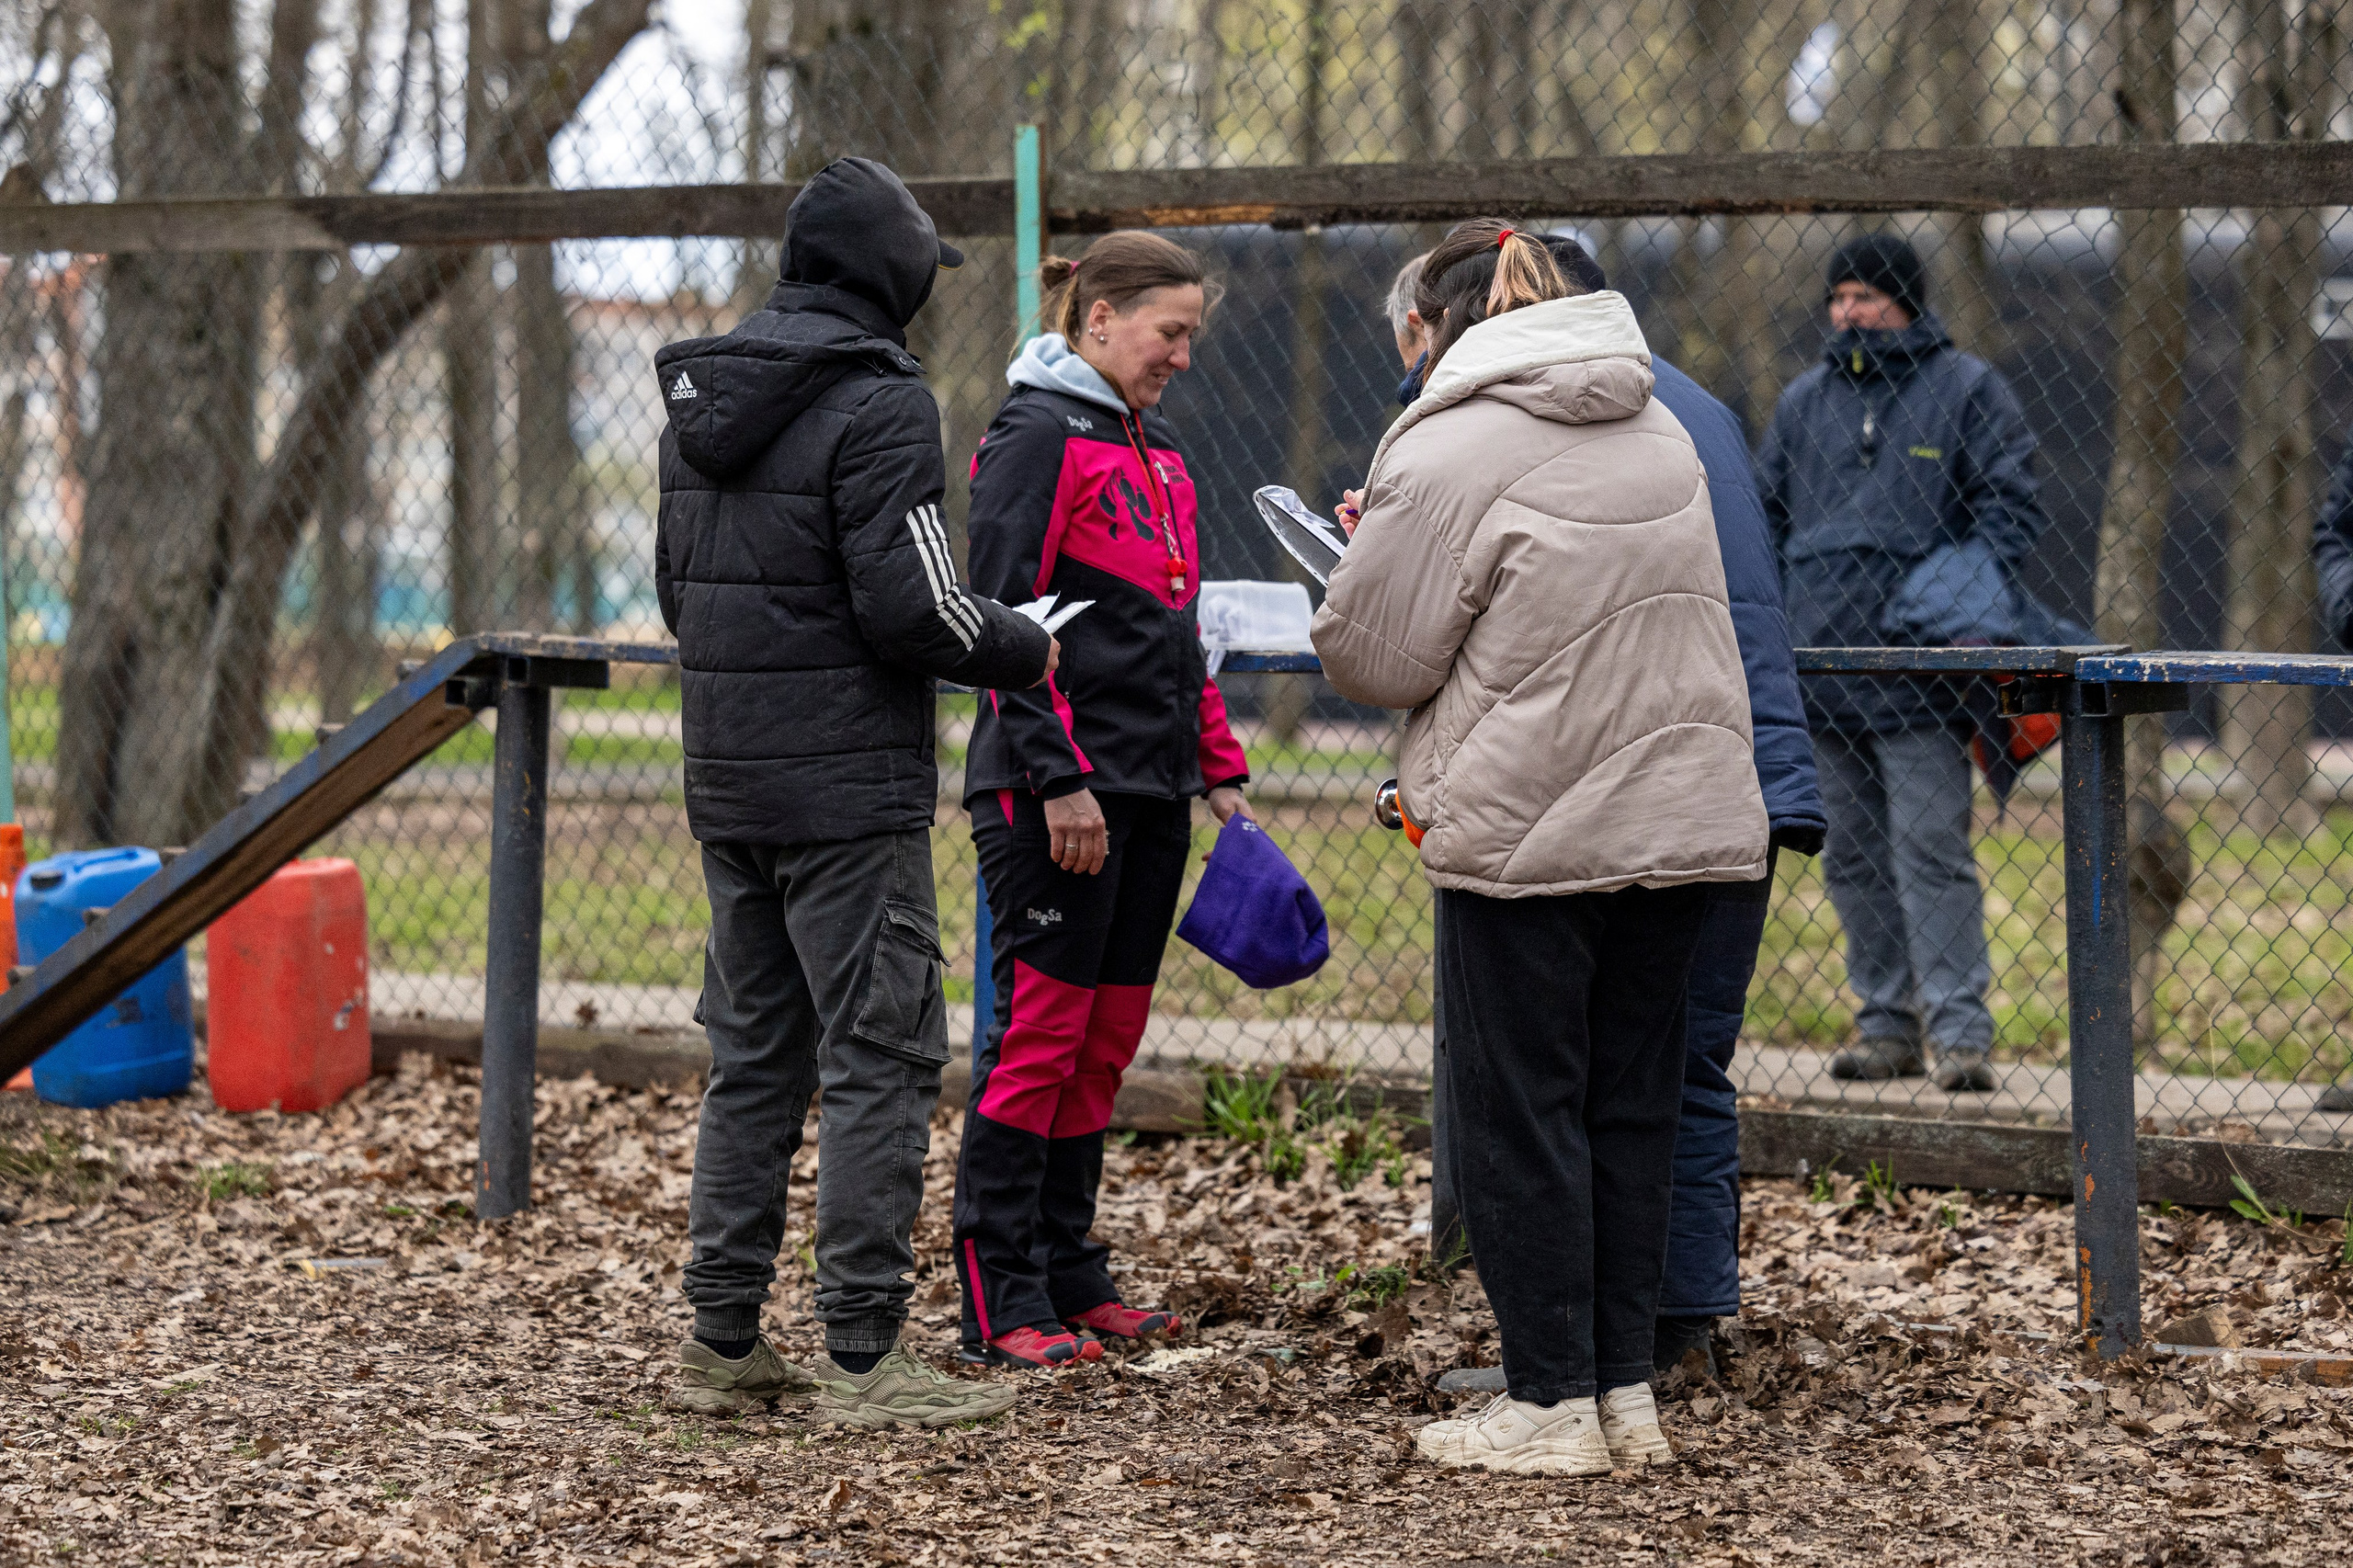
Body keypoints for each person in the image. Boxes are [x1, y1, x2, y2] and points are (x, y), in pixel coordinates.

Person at [1315, 220, 1769, 1477]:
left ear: (1443, 324)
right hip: (1687, 822)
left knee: (1521, 1115)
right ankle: (1625, 1393)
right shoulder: (1656, 421)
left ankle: (1547, 1400)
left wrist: (1361, 565)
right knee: (1631, 1109)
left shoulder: (1452, 440)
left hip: (1532, 828)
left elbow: (1374, 655)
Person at [655, 157, 1056, 1426]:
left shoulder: (699, 402)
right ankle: (867, 1355)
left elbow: (680, 594)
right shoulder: (883, 405)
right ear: (886, 273)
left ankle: (721, 1340)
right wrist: (1025, 644)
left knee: (755, 1057)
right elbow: (918, 606)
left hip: (731, 780)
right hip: (847, 794)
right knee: (882, 1053)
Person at [954, 231, 1254, 1369]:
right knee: (1038, 1036)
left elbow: (1177, 633)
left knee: (1103, 1039)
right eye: (1168, 332)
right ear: (1099, 320)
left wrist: (1216, 764)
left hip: (1153, 790)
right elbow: (1002, 626)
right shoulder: (1032, 435)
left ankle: (1073, 1273)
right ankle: (1000, 1289)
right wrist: (1057, 776)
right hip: (1053, 796)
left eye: (1190, 335)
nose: (1182, 354)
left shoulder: (1160, 449)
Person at [1758, 233, 2049, 1095]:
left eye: (1867, 296)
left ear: (1907, 302)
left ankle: (1961, 1035)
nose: (1849, 312)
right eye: (1838, 296)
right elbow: (1765, 515)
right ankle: (1887, 1027)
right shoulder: (1804, 402)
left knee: (1930, 849)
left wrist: (1959, 593)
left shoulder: (1966, 390)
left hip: (1921, 677)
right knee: (1849, 856)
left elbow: (2011, 502)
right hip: (1821, 670)